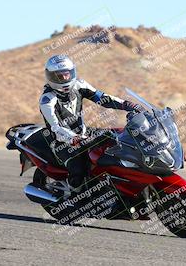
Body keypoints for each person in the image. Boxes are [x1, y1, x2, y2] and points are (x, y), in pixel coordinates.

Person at [39, 54, 142, 193]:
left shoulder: (79, 85)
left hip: (84, 133)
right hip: (63, 142)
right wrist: (73, 138)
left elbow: (103, 98)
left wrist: (127, 105)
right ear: (51, 76)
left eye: (67, 74)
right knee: (78, 171)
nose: (64, 78)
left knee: (120, 137)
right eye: (59, 76)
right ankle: (74, 198)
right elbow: (56, 127)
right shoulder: (47, 100)